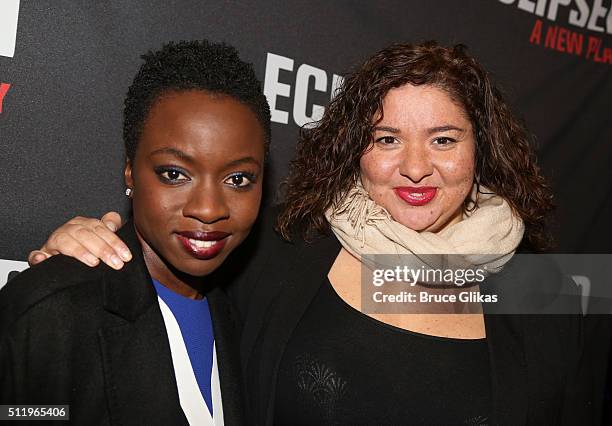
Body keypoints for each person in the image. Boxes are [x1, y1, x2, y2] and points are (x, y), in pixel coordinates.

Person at [28, 42, 598, 425]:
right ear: (355, 152)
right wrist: (81, 246)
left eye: (445, 139)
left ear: (483, 151)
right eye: (387, 139)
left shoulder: (545, 292)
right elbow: (164, 262)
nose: (417, 167)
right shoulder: (280, 254)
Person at [0, 39, 271, 425]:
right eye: (175, 174)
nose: (208, 209)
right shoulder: (52, 313)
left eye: (238, 178)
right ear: (130, 170)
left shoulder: (244, 317)